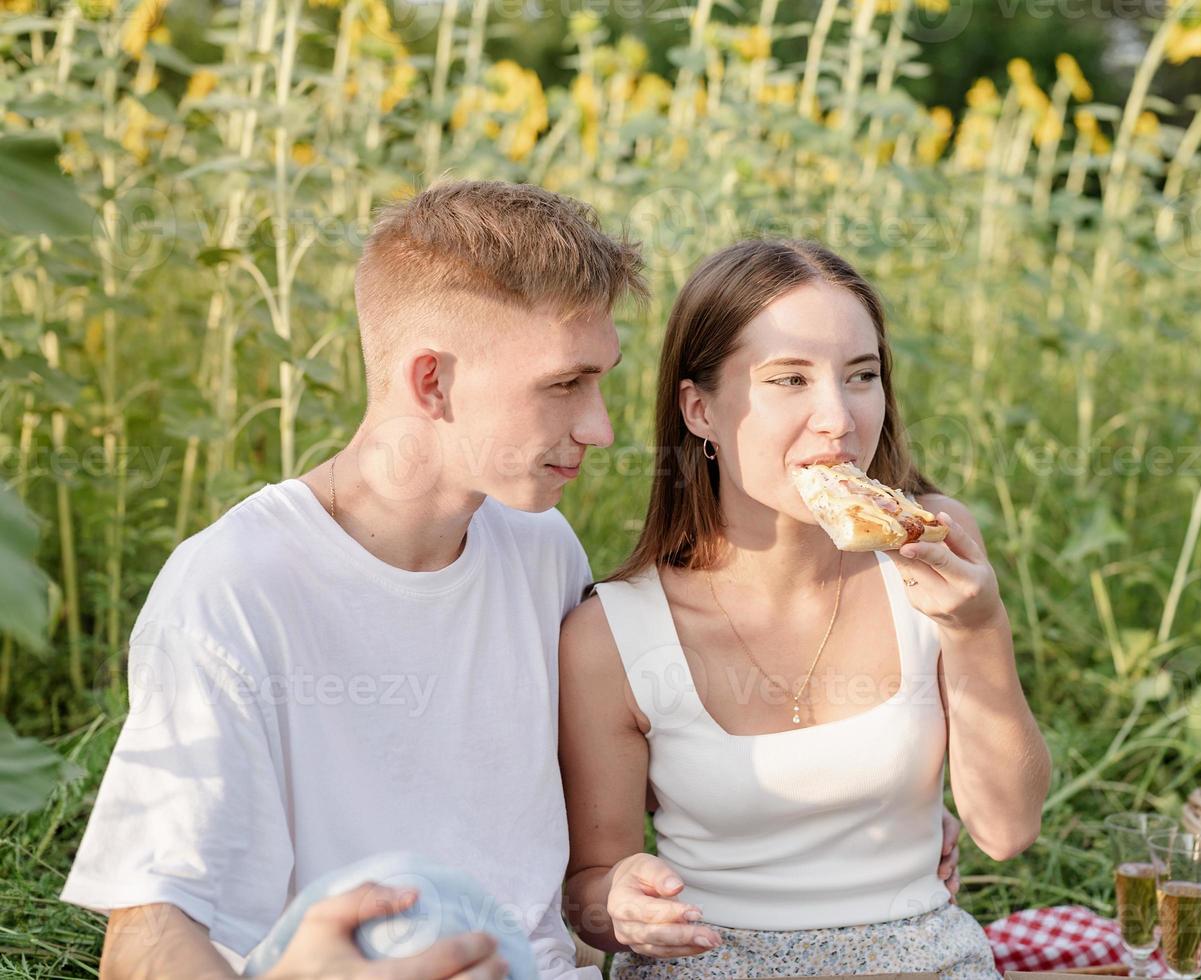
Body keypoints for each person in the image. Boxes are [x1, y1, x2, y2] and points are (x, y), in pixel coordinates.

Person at [59, 180, 646, 979]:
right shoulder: (234, 587)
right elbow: (142, 942)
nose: (600, 427)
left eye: (600, 379)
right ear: (431, 382)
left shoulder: (541, 546)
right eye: (563, 384)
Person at [558, 239, 1052, 978]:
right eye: (788, 379)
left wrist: (976, 628)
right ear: (698, 409)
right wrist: (624, 907)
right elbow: (589, 895)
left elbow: (1007, 830)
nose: (838, 419)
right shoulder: (613, 636)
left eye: (861, 376)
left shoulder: (931, 547)